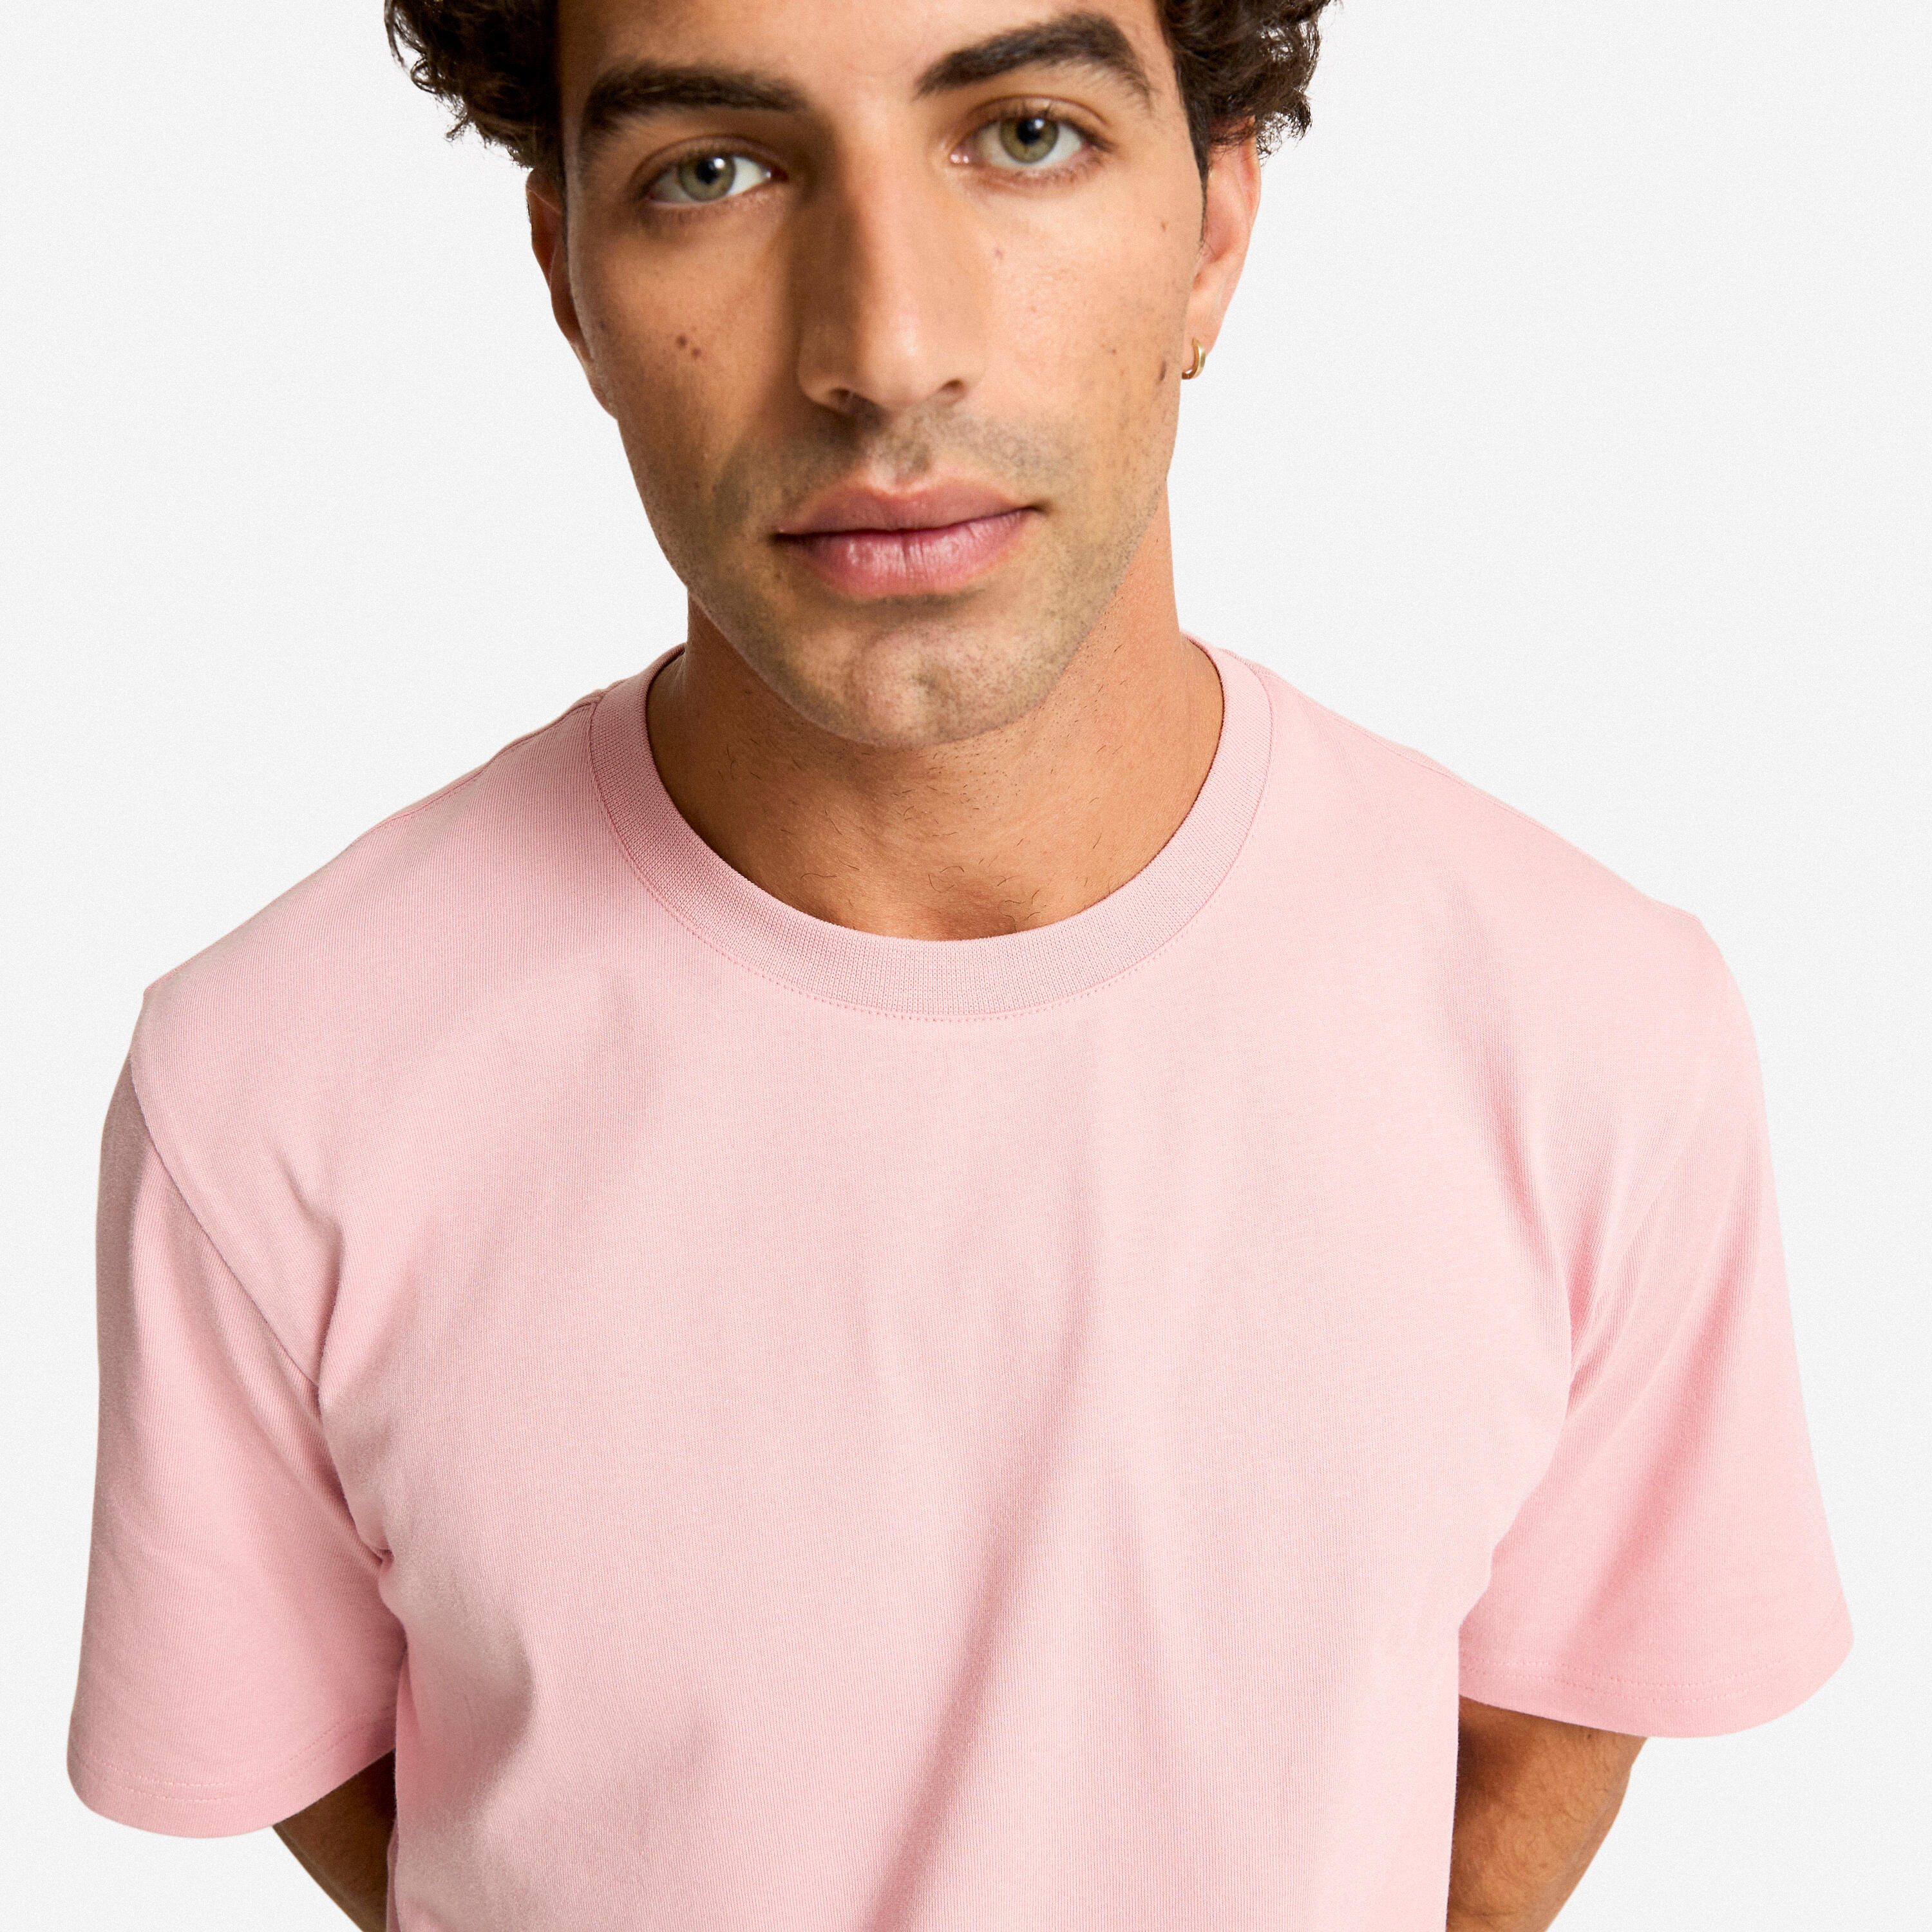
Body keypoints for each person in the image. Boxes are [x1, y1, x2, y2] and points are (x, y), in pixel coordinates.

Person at [66, 2, 1851, 1927]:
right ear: (569, 280)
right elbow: (336, 1773)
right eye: (714, 170)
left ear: (1215, 225)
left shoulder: (1593, 1034)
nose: (888, 345)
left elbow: (1545, 1735)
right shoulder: (274, 1088)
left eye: (1024, 134)